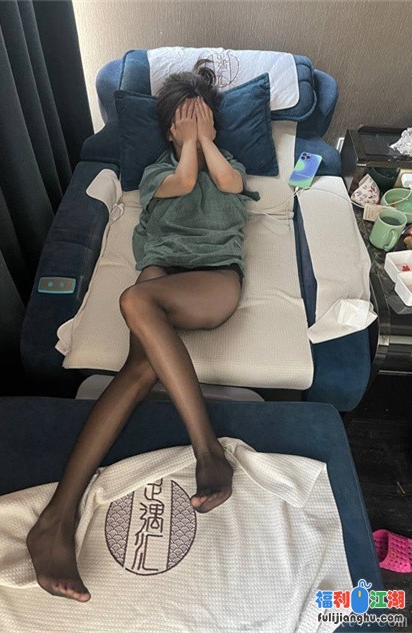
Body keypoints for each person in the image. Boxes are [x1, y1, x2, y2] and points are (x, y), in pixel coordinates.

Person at [26, 59, 259, 603]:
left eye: (202, 119)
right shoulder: (158, 172)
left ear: (214, 127)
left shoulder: (232, 165)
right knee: (136, 367)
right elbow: (182, 181)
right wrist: (189, 145)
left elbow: (228, 183)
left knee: (136, 311)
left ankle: (201, 453)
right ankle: (59, 518)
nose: (194, 129)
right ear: (168, 131)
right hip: (160, 273)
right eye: (183, 121)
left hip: (214, 279)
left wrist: (205, 140)